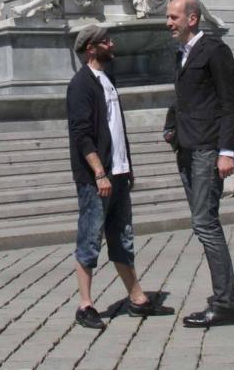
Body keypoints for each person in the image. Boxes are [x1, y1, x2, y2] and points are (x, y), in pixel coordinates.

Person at [67, 24, 156, 330]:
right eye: (106, 41)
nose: (112, 43)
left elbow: (116, 129)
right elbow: (81, 134)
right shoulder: (80, 84)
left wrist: (125, 167)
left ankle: (137, 297)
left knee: (123, 236)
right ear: (91, 48)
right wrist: (99, 172)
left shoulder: (108, 79)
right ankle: (85, 304)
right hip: (98, 178)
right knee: (90, 238)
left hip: (118, 173)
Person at [164, 0, 234, 328]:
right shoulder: (182, 53)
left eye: (173, 17)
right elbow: (183, 97)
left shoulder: (214, 51)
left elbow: (229, 102)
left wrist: (226, 151)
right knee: (204, 221)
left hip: (208, 149)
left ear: (192, 19)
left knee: (205, 223)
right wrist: (170, 127)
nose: (168, 23)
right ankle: (228, 295)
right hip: (186, 146)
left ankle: (225, 303)